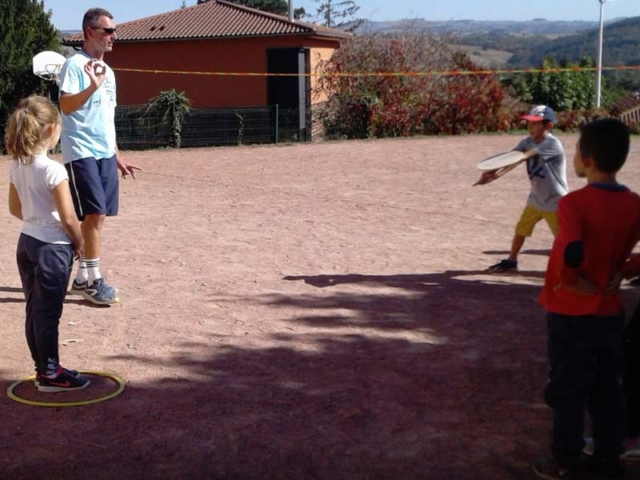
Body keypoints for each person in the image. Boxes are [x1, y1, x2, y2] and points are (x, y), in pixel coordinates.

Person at [533, 118, 640, 479]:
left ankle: (566, 458)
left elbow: (573, 249)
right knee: (608, 387)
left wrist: (570, 279)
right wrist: (625, 270)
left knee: (567, 387)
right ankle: (608, 456)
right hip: (608, 312)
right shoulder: (633, 203)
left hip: (569, 311)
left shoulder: (574, 203)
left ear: (587, 157)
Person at [5, 95, 91, 392]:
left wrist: (36, 220)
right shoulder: (54, 170)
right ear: (52, 129)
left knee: (34, 309)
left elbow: (15, 210)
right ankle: (51, 375)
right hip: (53, 247)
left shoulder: (18, 165)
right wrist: (80, 244)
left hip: (27, 242)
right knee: (48, 314)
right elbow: (69, 218)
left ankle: (44, 368)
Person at [58, 7, 140, 305]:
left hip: (105, 153)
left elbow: (107, 118)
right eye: (107, 31)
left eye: (114, 31)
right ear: (90, 32)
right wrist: (92, 86)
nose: (113, 37)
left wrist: (117, 155)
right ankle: (94, 281)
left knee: (98, 218)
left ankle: (81, 278)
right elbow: (66, 106)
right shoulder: (74, 65)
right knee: (95, 214)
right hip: (80, 151)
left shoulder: (111, 73)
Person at [482, 105, 568, 272]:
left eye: (535, 123)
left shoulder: (552, 143)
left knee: (563, 238)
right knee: (521, 228)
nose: (530, 126)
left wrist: (495, 172)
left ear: (548, 126)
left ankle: (573, 269)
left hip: (555, 201)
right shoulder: (526, 141)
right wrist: (493, 173)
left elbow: (523, 157)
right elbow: (511, 158)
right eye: (529, 122)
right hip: (536, 198)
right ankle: (512, 260)